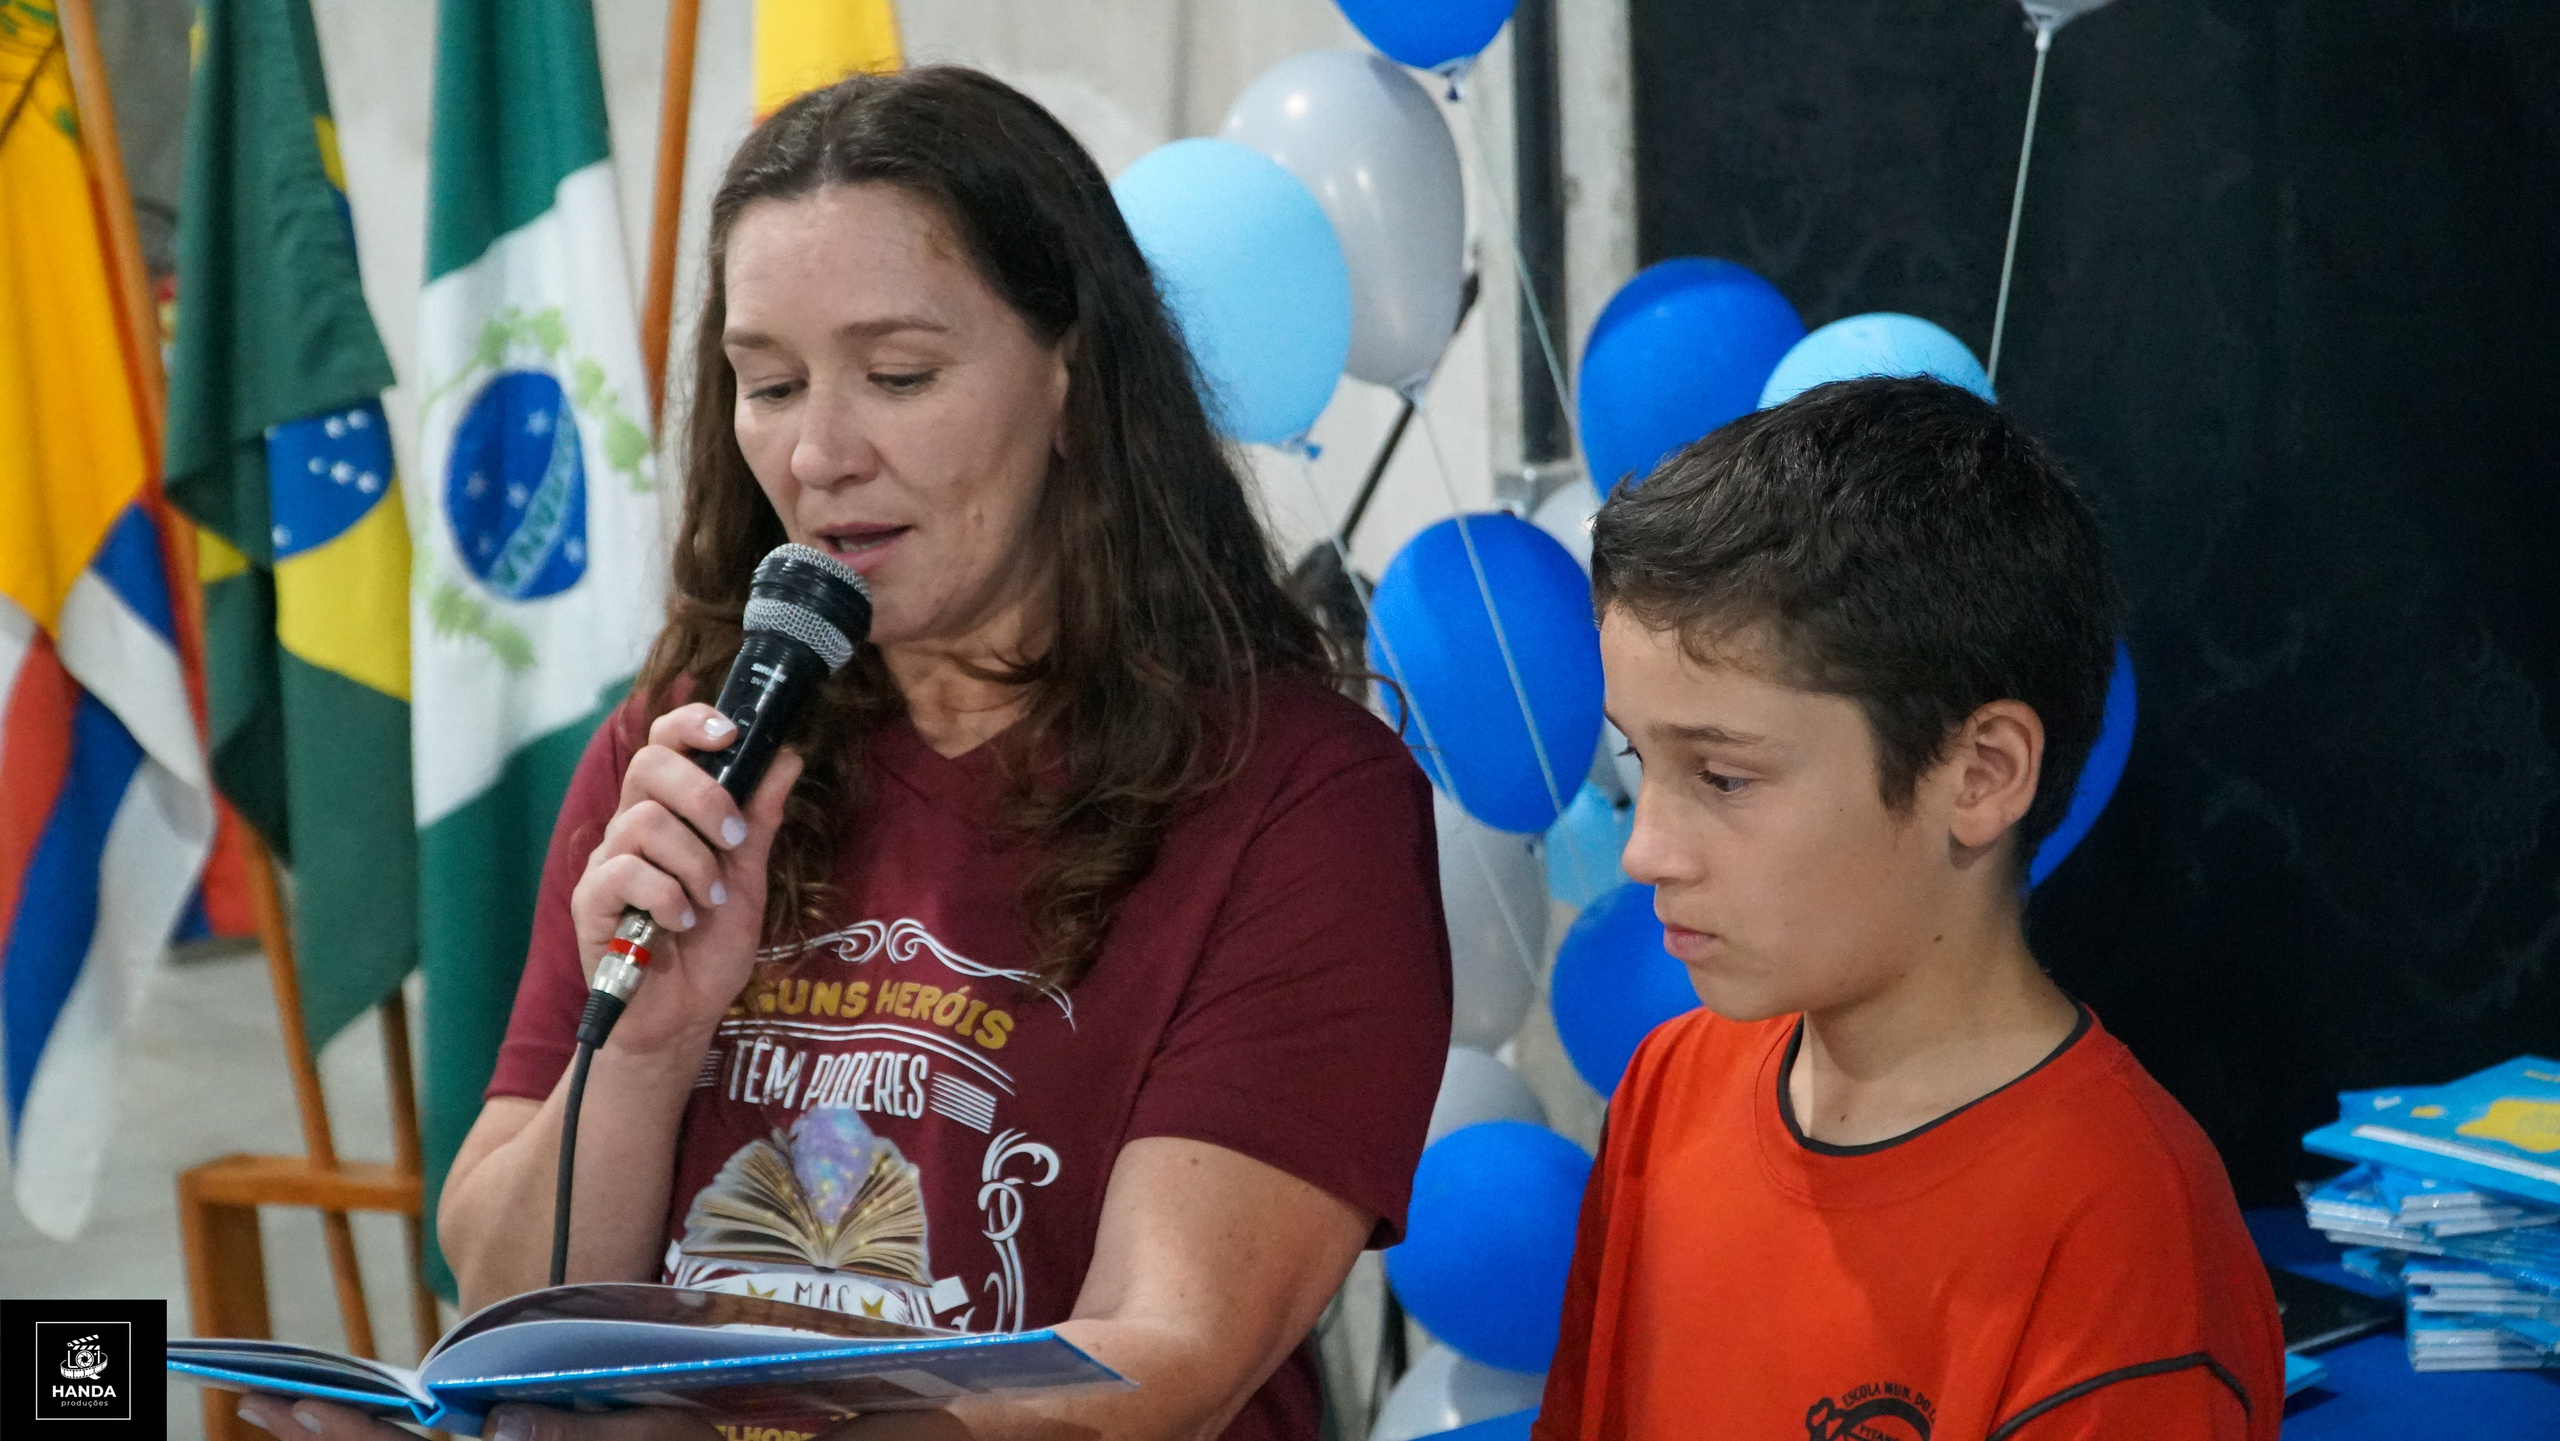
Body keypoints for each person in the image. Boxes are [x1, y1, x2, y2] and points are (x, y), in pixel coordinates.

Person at [239, 67, 1450, 1441]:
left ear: (1073, 375)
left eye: (899, 376)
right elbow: (510, 1301)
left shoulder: (1297, 799)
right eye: (767, 384)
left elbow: (1161, 1361)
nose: (819, 453)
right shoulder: (691, 745)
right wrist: (645, 1046)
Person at [1534, 378, 2283, 1440]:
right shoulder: (1668, 1087)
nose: (1646, 847)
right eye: (1635, 759)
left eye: (1725, 776)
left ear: (1978, 774)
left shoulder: (2116, 1223)